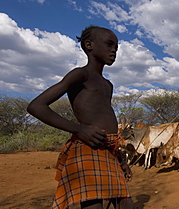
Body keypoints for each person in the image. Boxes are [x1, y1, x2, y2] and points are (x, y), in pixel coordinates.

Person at [27, 26, 134, 209]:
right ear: (89, 45)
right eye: (109, 44)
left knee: (126, 205)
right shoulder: (81, 74)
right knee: (94, 205)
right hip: (88, 147)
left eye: (116, 46)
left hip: (109, 151)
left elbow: (106, 119)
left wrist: (121, 160)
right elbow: (36, 106)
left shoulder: (108, 85)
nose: (114, 50)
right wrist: (80, 129)